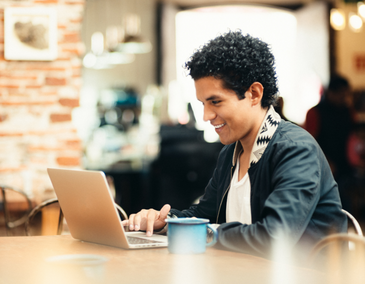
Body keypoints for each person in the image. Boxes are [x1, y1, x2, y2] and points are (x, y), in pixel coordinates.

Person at [122, 31, 347, 263]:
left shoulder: (295, 150)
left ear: (254, 94)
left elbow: (276, 236)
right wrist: (163, 222)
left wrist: (206, 233)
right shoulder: (231, 152)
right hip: (244, 273)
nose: (207, 115)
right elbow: (203, 215)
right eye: (203, 103)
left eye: (215, 101)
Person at [304, 75, 355, 210]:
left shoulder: (348, 112)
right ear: (331, 92)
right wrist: (325, 161)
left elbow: (353, 139)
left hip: (345, 165)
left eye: (346, 94)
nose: (344, 98)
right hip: (323, 166)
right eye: (341, 94)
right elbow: (309, 143)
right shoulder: (314, 112)